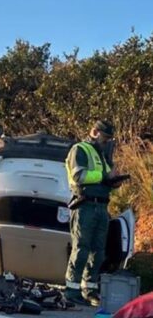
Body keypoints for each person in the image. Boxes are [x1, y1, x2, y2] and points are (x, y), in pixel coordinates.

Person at [64, 120, 124, 306]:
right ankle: (71, 291)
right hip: (85, 205)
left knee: (98, 251)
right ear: (94, 132)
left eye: (108, 139)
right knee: (81, 248)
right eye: (105, 138)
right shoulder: (80, 149)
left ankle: (89, 290)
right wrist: (104, 177)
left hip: (101, 206)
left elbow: (105, 178)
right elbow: (79, 176)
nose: (107, 142)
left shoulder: (103, 155)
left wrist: (114, 181)